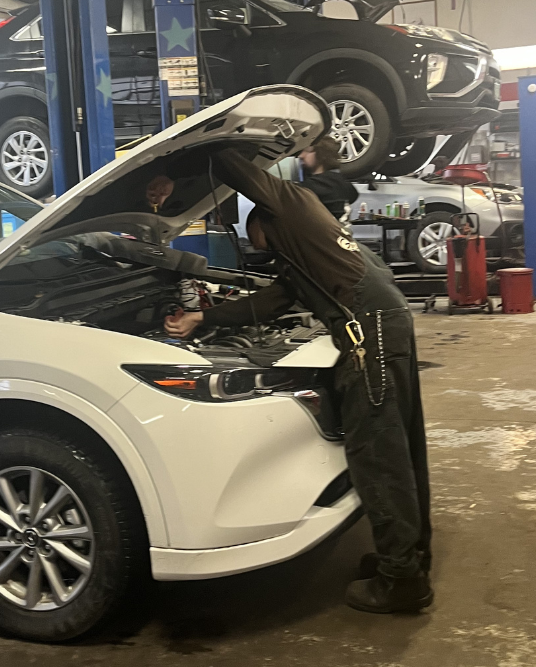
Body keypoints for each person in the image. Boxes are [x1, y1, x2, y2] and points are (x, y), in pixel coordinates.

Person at [164, 147, 433, 614]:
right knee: (401, 444)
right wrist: (200, 319)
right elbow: (269, 304)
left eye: (261, 242)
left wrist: (192, 156)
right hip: (385, 321)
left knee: (377, 453)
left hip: (369, 332)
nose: (265, 252)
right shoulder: (307, 245)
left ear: (266, 220)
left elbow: (236, 167)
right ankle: (408, 556)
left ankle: (403, 581)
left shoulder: (290, 204)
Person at [298, 136, 357, 222]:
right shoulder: (343, 183)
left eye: (308, 151)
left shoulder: (313, 186)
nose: (301, 156)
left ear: (321, 154)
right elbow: (353, 195)